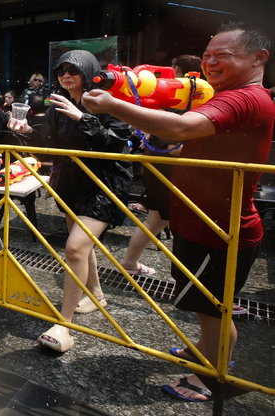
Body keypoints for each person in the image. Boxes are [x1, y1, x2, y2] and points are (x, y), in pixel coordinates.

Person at [82, 21, 274, 402]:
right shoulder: (235, 96)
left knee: (215, 310)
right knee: (205, 305)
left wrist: (116, 105)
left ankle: (215, 377)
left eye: (223, 55)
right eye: (207, 55)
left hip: (219, 228)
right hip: (204, 221)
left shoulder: (243, 97)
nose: (211, 63)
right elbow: (200, 142)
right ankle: (203, 351)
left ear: (259, 58)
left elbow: (185, 128)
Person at [8, 49, 133, 352]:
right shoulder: (56, 106)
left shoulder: (107, 101)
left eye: (73, 70)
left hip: (102, 186)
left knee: (76, 246)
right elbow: (50, 150)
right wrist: (27, 132)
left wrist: (82, 117)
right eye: (62, 70)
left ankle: (64, 326)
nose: (66, 75)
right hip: (70, 184)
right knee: (83, 248)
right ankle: (98, 296)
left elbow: (118, 146)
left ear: (88, 72)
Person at [119, 55, 201, 276]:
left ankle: (130, 263)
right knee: (158, 220)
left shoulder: (175, 98)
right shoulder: (182, 100)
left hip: (160, 167)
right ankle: (130, 263)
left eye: (172, 67)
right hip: (166, 169)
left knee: (157, 220)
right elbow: (174, 147)